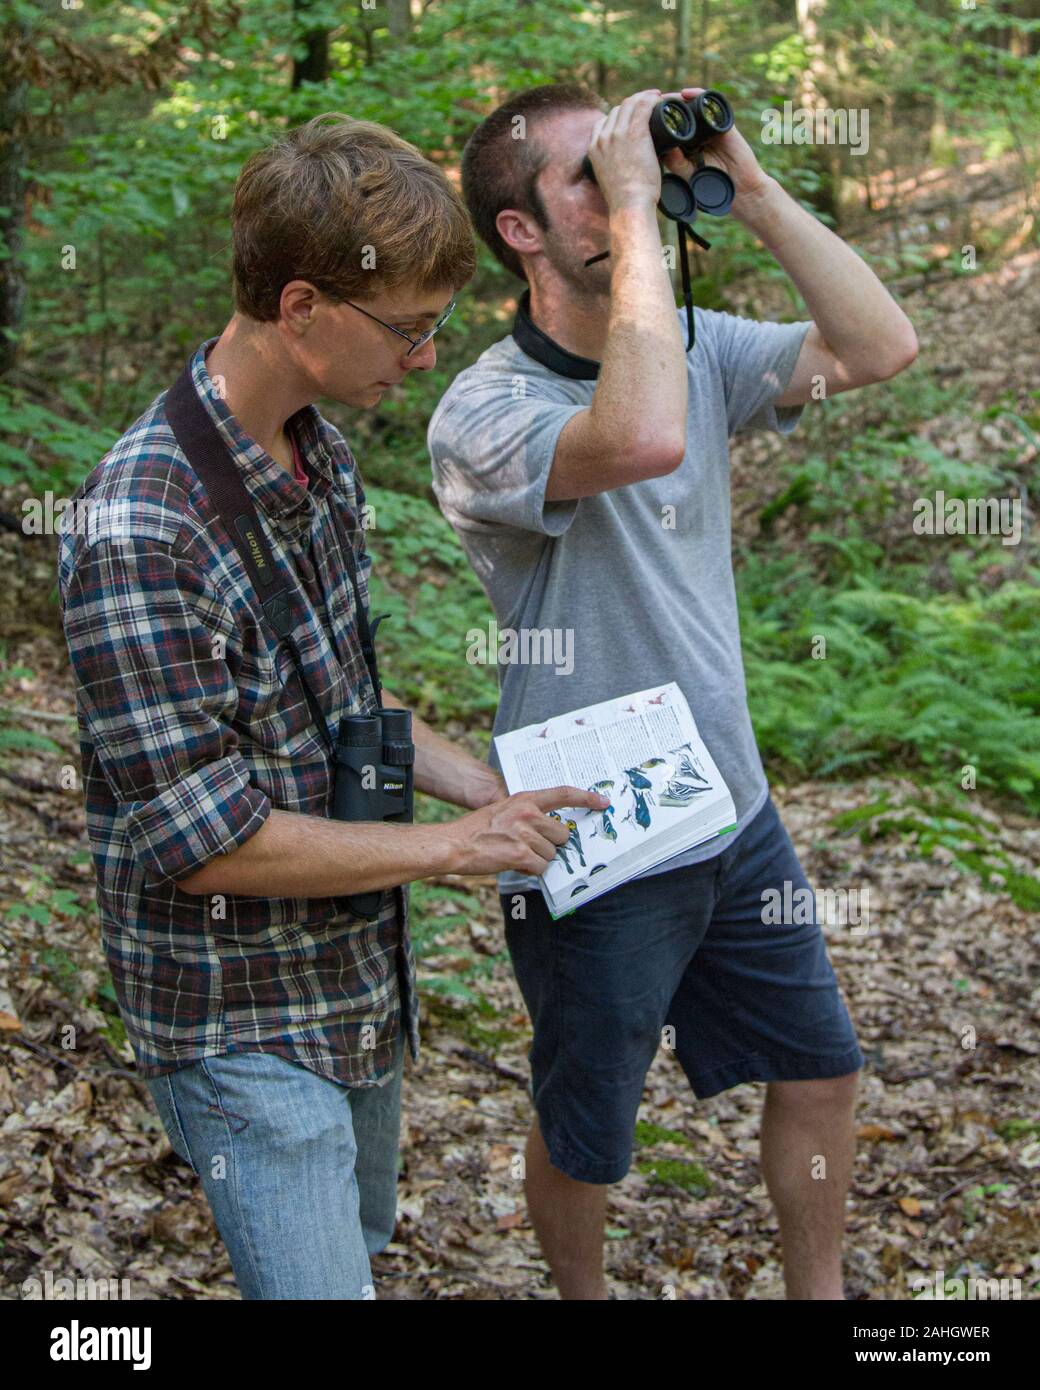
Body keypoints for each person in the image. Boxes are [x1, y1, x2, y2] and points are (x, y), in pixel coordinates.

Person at [57, 112, 606, 1301]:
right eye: (406, 330)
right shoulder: (140, 528)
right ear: (300, 308)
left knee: (350, 1255)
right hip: (237, 1018)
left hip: (351, 982)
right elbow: (202, 842)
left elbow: (340, 700)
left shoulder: (320, 457)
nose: (421, 359)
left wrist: (481, 786)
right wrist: (452, 847)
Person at [427, 83, 919, 1300]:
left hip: (728, 800)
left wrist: (744, 187)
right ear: (519, 233)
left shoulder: (694, 345)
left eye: (624, 159)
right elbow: (636, 434)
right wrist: (646, 210)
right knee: (588, 1124)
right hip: (588, 823)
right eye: (586, 174)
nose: (618, 182)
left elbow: (877, 347)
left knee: (818, 1070)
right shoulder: (483, 410)